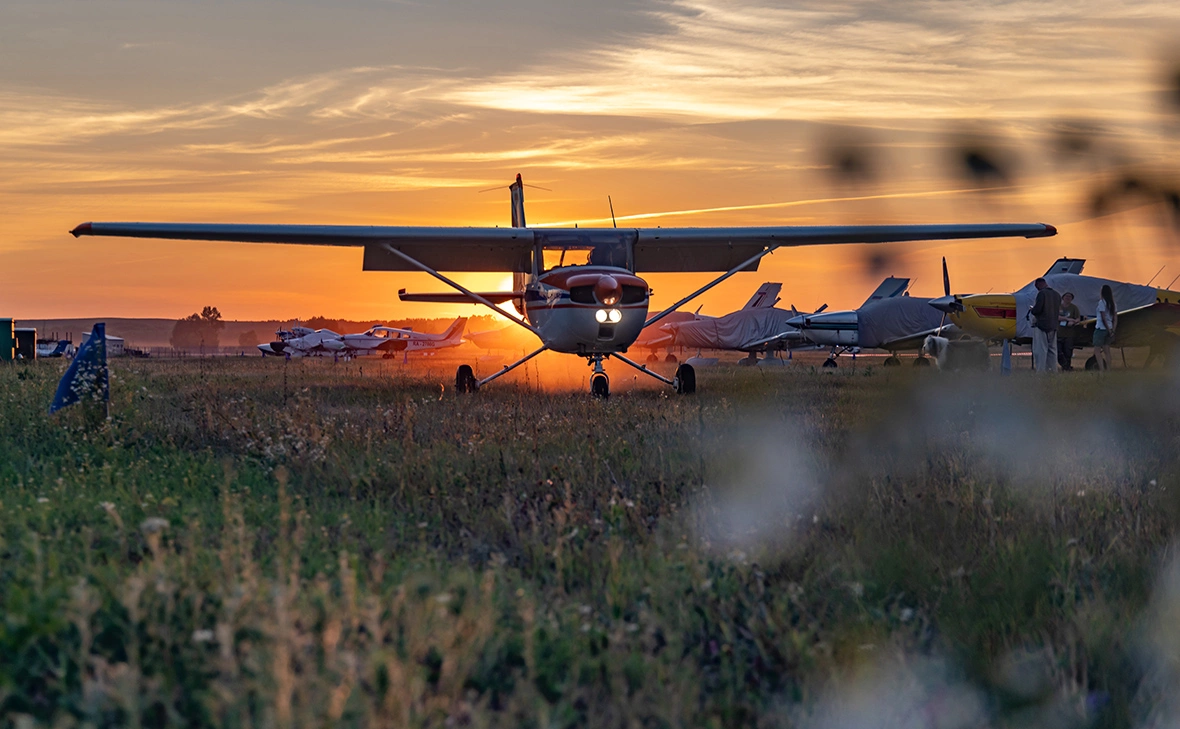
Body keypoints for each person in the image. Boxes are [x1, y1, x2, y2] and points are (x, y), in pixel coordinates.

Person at [1029, 277, 1061, 373]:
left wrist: (1032, 310)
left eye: (1036, 286)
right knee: (1052, 350)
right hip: (1054, 326)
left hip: (1042, 326)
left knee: (1041, 350)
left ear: (1039, 284)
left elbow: (1038, 310)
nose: (1037, 289)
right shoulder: (1057, 295)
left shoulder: (1041, 294)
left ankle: (1041, 371)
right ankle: (1053, 370)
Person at [1094, 284, 1117, 371]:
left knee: (1097, 350)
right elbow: (1115, 317)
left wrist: (1107, 328)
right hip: (1110, 329)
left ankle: (1102, 369)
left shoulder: (1102, 302)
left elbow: (1103, 317)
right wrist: (1112, 330)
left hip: (1100, 328)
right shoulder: (1113, 303)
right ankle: (1109, 369)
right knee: (1107, 350)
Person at [1057, 292, 1081, 371]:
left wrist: (1073, 322)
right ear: (1063, 298)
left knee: (1068, 352)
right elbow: (1057, 317)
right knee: (1058, 351)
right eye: (1066, 296)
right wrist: (1067, 319)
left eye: (1070, 297)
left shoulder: (1074, 308)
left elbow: (1078, 318)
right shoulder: (1058, 307)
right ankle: (1064, 365)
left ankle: (1067, 368)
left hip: (1069, 334)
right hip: (1058, 333)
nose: (1068, 298)